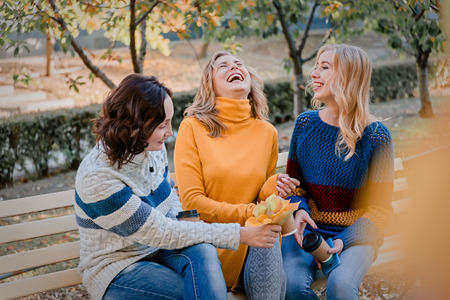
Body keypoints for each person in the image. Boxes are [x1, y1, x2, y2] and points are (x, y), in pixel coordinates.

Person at [74, 74, 281, 300]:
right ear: (135, 126)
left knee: (204, 250)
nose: (170, 132)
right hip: (119, 267)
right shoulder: (98, 178)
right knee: (197, 293)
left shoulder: (150, 149)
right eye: (162, 125)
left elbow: (168, 198)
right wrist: (241, 234)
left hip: (160, 250)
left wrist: (185, 218)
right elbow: (161, 232)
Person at [174, 51, 299, 299]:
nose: (234, 67)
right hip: (212, 251)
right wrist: (249, 214)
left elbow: (262, 193)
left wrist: (276, 185)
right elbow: (192, 202)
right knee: (264, 226)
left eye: (239, 64)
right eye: (223, 66)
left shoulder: (267, 132)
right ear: (209, 84)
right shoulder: (192, 127)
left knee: (267, 226)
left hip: (258, 248)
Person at [281, 44, 394, 299]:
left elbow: (380, 209)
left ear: (348, 77)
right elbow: (295, 187)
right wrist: (299, 210)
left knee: (341, 286)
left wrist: (344, 240)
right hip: (307, 230)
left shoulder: (376, 136)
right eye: (315, 66)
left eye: (325, 67)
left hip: (356, 233)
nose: (314, 73)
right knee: (290, 287)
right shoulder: (306, 124)